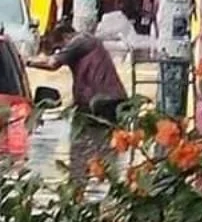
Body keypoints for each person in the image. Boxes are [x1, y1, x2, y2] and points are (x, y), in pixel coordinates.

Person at [28, 23, 129, 181]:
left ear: (66, 37)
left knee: (81, 151)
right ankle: (106, 189)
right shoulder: (90, 43)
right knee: (107, 152)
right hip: (110, 102)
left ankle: (78, 192)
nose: (61, 52)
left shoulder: (80, 41)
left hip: (98, 103)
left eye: (59, 47)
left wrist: (26, 62)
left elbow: (52, 64)